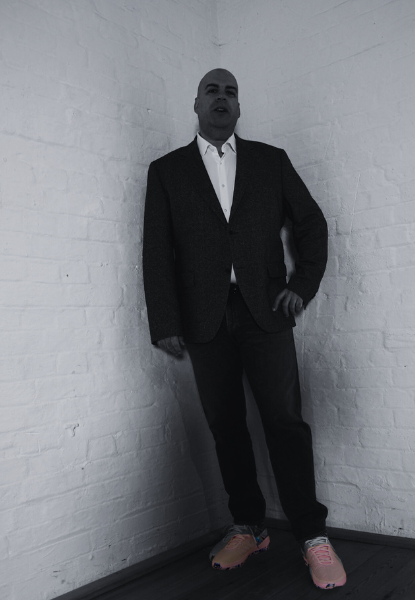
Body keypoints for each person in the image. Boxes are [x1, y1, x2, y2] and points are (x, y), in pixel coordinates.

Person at [141, 68, 346, 589]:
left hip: (266, 313)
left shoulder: (270, 162)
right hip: (203, 320)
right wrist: (165, 321)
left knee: (285, 423)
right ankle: (249, 527)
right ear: (196, 103)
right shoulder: (167, 171)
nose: (222, 97)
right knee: (226, 426)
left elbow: (312, 223)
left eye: (231, 91)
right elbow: (156, 254)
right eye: (213, 89)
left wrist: (302, 283)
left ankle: (311, 535)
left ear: (239, 107)